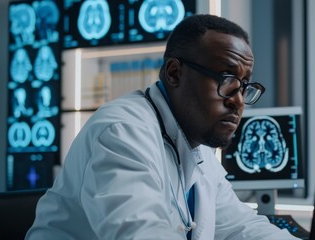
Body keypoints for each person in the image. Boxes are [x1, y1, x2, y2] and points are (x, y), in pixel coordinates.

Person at [26, 14, 300, 240]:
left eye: (244, 85)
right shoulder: (122, 133)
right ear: (174, 73)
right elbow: (142, 233)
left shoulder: (200, 153)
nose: (238, 100)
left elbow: (242, 228)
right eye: (227, 79)